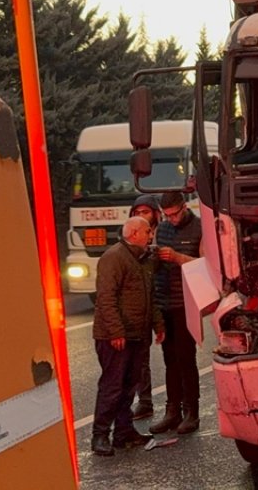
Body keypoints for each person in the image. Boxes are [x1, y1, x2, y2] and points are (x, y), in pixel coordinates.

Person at [90, 216, 165, 457]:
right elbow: (106, 298)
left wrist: (157, 324)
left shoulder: (143, 259)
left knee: (128, 386)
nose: (150, 236)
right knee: (112, 386)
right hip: (116, 337)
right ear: (133, 234)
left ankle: (123, 432)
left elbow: (148, 296)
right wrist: (116, 332)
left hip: (137, 335)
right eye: (146, 232)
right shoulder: (114, 258)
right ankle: (99, 435)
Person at [148, 191, 203, 436]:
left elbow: (207, 264)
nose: (171, 219)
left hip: (186, 303)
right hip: (164, 300)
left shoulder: (199, 228)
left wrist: (179, 258)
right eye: (166, 215)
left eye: (174, 214)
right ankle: (173, 411)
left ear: (184, 207)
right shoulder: (162, 229)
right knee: (169, 359)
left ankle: (192, 411)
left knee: (185, 359)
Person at [128, 195, 161, 421]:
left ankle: (175, 406)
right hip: (139, 309)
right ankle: (144, 401)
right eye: (137, 212)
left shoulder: (165, 234)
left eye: (146, 212)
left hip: (163, 302)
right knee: (138, 361)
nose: (142, 216)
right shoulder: (128, 246)